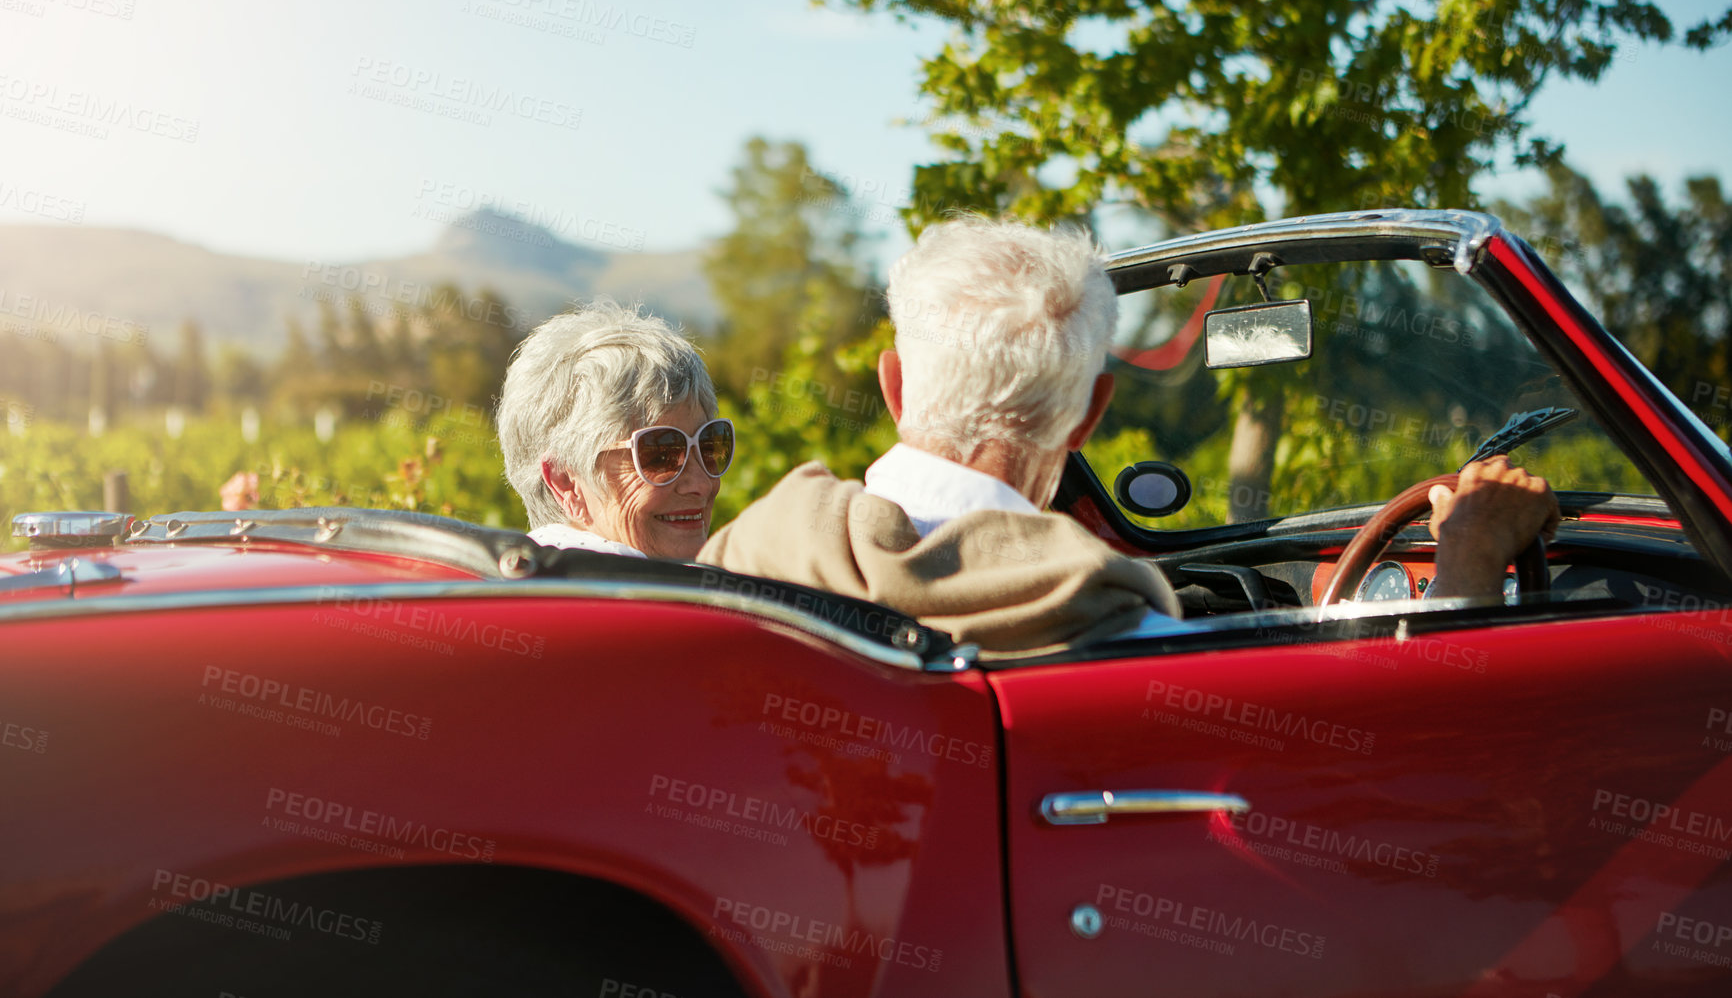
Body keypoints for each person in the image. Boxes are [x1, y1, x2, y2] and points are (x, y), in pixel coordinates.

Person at [700, 217, 1558, 653]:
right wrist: (1471, 560)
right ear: (1091, 412)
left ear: (893, 385)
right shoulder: (1109, 627)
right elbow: (1383, 782)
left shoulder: (742, 562)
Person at [497, 299, 733, 560]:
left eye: (709, 444)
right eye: (661, 454)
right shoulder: (620, 592)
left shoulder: (519, 581)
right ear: (566, 483)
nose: (701, 483)